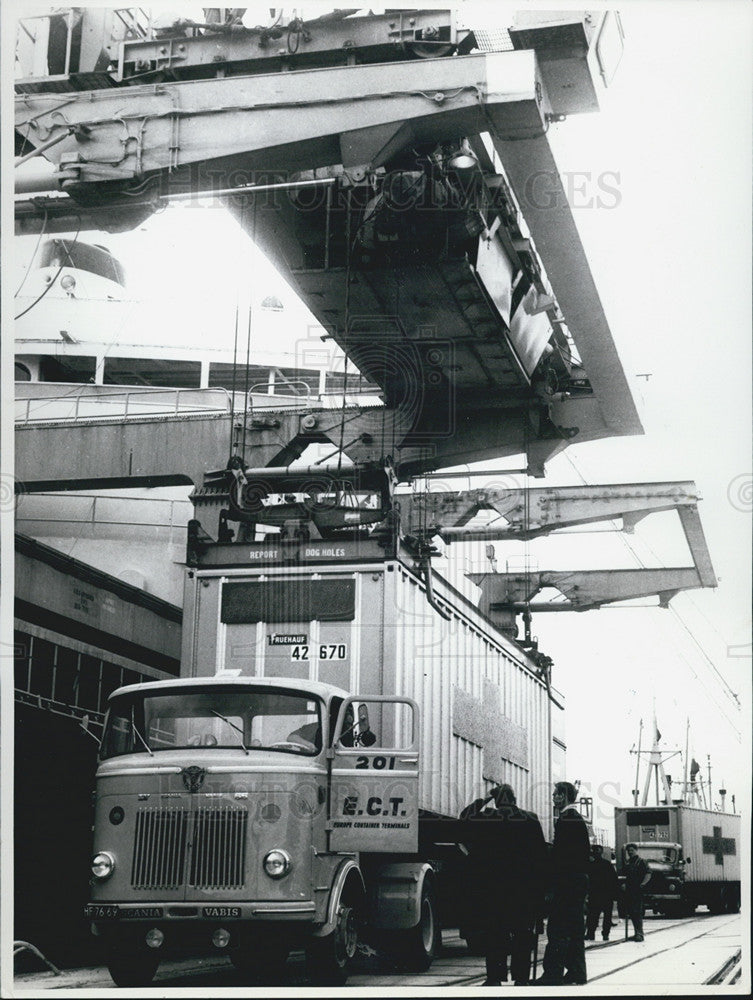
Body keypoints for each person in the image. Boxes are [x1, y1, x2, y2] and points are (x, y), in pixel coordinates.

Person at [461, 783, 548, 986]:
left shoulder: (488, 817)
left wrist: (484, 799)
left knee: (495, 934)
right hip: (523, 891)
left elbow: (464, 816)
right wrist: (541, 891)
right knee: (523, 936)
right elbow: (541, 857)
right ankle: (521, 979)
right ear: (514, 798)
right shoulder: (530, 818)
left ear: (497, 799)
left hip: (494, 890)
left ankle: (494, 978)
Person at [536, 781, 591, 986]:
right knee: (575, 929)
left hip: (566, 882)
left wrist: (551, 885)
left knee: (557, 928)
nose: (553, 797)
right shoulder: (577, 819)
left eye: (556, 794)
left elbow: (560, 858)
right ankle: (578, 972)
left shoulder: (565, 820)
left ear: (565, 796)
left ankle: (553, 973)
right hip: (578, 880)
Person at [586, 845, 620, 941]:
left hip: (595, 894)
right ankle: (605, 934)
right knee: (606, 916)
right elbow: (614, 880)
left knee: (593, 915)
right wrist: (616, 894)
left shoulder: (590, 865)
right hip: (606, 894)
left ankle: (591, 933)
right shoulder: (607, 864)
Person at [623, 843, 650, 941]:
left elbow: (648, 873)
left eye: (632, 850)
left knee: (637, 912)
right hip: (629, 891)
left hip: (637, 890)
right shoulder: (628, 863)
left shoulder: (641, 862)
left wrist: (643, 884)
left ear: (636, 850)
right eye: (628, 850)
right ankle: (636, 932)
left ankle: (639, 933)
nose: (630, 852)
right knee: (631, 912)